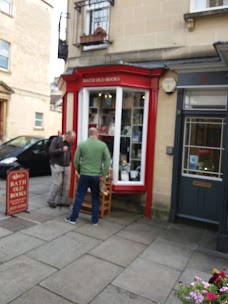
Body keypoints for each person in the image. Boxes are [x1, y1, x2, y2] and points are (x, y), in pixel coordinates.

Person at [65, 127, 111, 225]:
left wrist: (80, 171)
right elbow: (107, 160)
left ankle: (73, 218)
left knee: (79, 196)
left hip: (84, 175)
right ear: (97, 134)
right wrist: (103, 173)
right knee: (95, 198)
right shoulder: (102, 145)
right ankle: (95, 220)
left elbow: (76, 160)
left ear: (88, 134)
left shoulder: (82, 145)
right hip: (96, 176)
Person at [47, 130, 76, 208]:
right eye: (72, 139)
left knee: (66, 184)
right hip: (57, 164)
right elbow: (51, 151)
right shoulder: (56, 140)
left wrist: (70, 161)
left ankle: (62, 201)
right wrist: (61, 150)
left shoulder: (69, 143)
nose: (73, 141)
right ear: (67, 136)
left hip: (66, 165)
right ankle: (51, 200)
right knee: (57, 183)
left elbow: (69, 152)